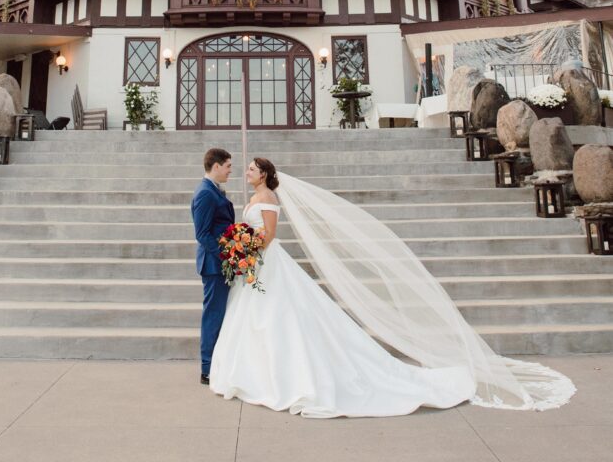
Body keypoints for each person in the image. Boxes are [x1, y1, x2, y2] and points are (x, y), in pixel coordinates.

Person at [207, 157, 576, 418]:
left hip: (267, 263)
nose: (247, 173)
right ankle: (257, 370)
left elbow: (269, 235)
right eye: (248, 169)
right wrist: (243, 249)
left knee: (278, 316)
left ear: (265, 174)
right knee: (260, 317)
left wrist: (249, 251)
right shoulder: (257, 198)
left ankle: (278, 375)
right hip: (257, 265)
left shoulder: (267, 199)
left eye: (252, 169)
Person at [190, 147, 235, 385]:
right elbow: (203, 234)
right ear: (215, 166)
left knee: (219, 314)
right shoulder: (206, 193)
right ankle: (207, 368)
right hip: (214, 264)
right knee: (213, 315)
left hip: (219, 263)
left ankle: (218, 362)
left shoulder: (212, 190)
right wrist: (228, 255)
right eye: (228, 166)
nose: (230, 171)